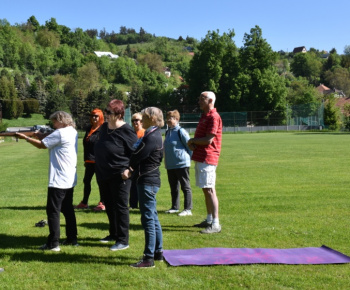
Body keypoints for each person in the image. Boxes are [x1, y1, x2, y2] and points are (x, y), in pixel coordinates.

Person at [16, 111, 78, 251]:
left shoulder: (60, 133)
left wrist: (25, 137)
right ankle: (72, 238)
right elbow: (50, 139)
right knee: (67, 209)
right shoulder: (72, 131)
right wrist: (40, 135)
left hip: (58, 179)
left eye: (55, 122)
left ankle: (53, 243)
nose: (53, 125)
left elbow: (41, 145)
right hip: (69, 178)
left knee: (53, 211)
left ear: (61, 121)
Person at [122, 107, 164, 268]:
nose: (141, 119)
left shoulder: (152, 136)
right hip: (148, 180)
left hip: (148, 180)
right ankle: (158, 252)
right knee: (152, 216)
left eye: (144, 117)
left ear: (152, 118)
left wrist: (130, 164)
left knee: (147, 219)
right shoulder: (152, 133)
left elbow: (137, 154)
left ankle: (148, 258)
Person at [94, 99, 137, 251]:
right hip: (103, 174)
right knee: (110, 206)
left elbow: (136, 153)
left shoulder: (126, 130)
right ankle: (113, 234)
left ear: (119, 114)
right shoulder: (105, 127)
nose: (105, 114)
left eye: (108, 112)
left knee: (120, 207)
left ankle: (123, 240)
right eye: (105, 111)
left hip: (120, 175)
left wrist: (129, 170)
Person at [187, 91, 223, 234]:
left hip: (208, 157)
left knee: (210, 189)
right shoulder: (205, 116)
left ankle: (215, 223)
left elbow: (208, 139)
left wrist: (192, 141)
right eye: (199, 98)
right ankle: (209, 219)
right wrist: (193, 143)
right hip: (202, 157)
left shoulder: (214, 116)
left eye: (202, 99)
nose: (199, 101)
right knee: (205, 189)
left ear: (210, 101)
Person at [75, 109, 105, 211]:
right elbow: (86, 145)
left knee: (100, 182)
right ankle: (84, 202)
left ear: (100, 117)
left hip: (99, 161)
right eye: (92, 116)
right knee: (86, 181)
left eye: (96, 116)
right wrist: (85, 160)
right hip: (89, 161)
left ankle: (102, 203)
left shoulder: (103, 129)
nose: (94, 118)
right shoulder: (89, 128)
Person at [164, 110, 193, 216]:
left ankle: (188, 209)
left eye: (170, 118)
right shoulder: (168, 132)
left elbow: (190, 146)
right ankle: (175, 207)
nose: (167, 120)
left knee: (185, 186)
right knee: (173, 187)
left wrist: (189, 159)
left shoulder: (181, 131)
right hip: (170, 165)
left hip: (182, 164)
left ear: (176, 119)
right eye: (167, 117)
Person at [129, 112, 145, 209]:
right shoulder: (131, 133)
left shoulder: (145, 133)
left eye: (137, 120)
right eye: (133, 120)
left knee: (142, 185)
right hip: (132, 163)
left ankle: (142, 204)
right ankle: (133, 205)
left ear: (142, 121)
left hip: (141, 163)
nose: (135, 122)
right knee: (132, 185)